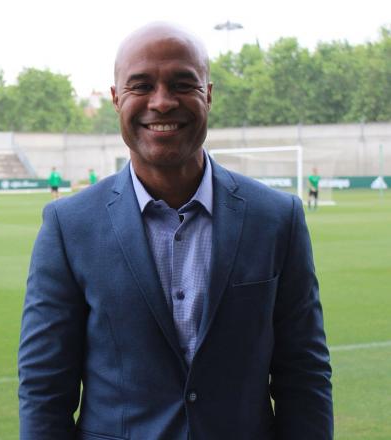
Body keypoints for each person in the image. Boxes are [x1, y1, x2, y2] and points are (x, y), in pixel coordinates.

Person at [18, 23, 333, 440]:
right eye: (141, 86)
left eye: (183, 83)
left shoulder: (276, 218)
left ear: (208, 94)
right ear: (116, 99)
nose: (162, 102)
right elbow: (44, 390)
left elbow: (304, 374)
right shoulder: (68, 226)